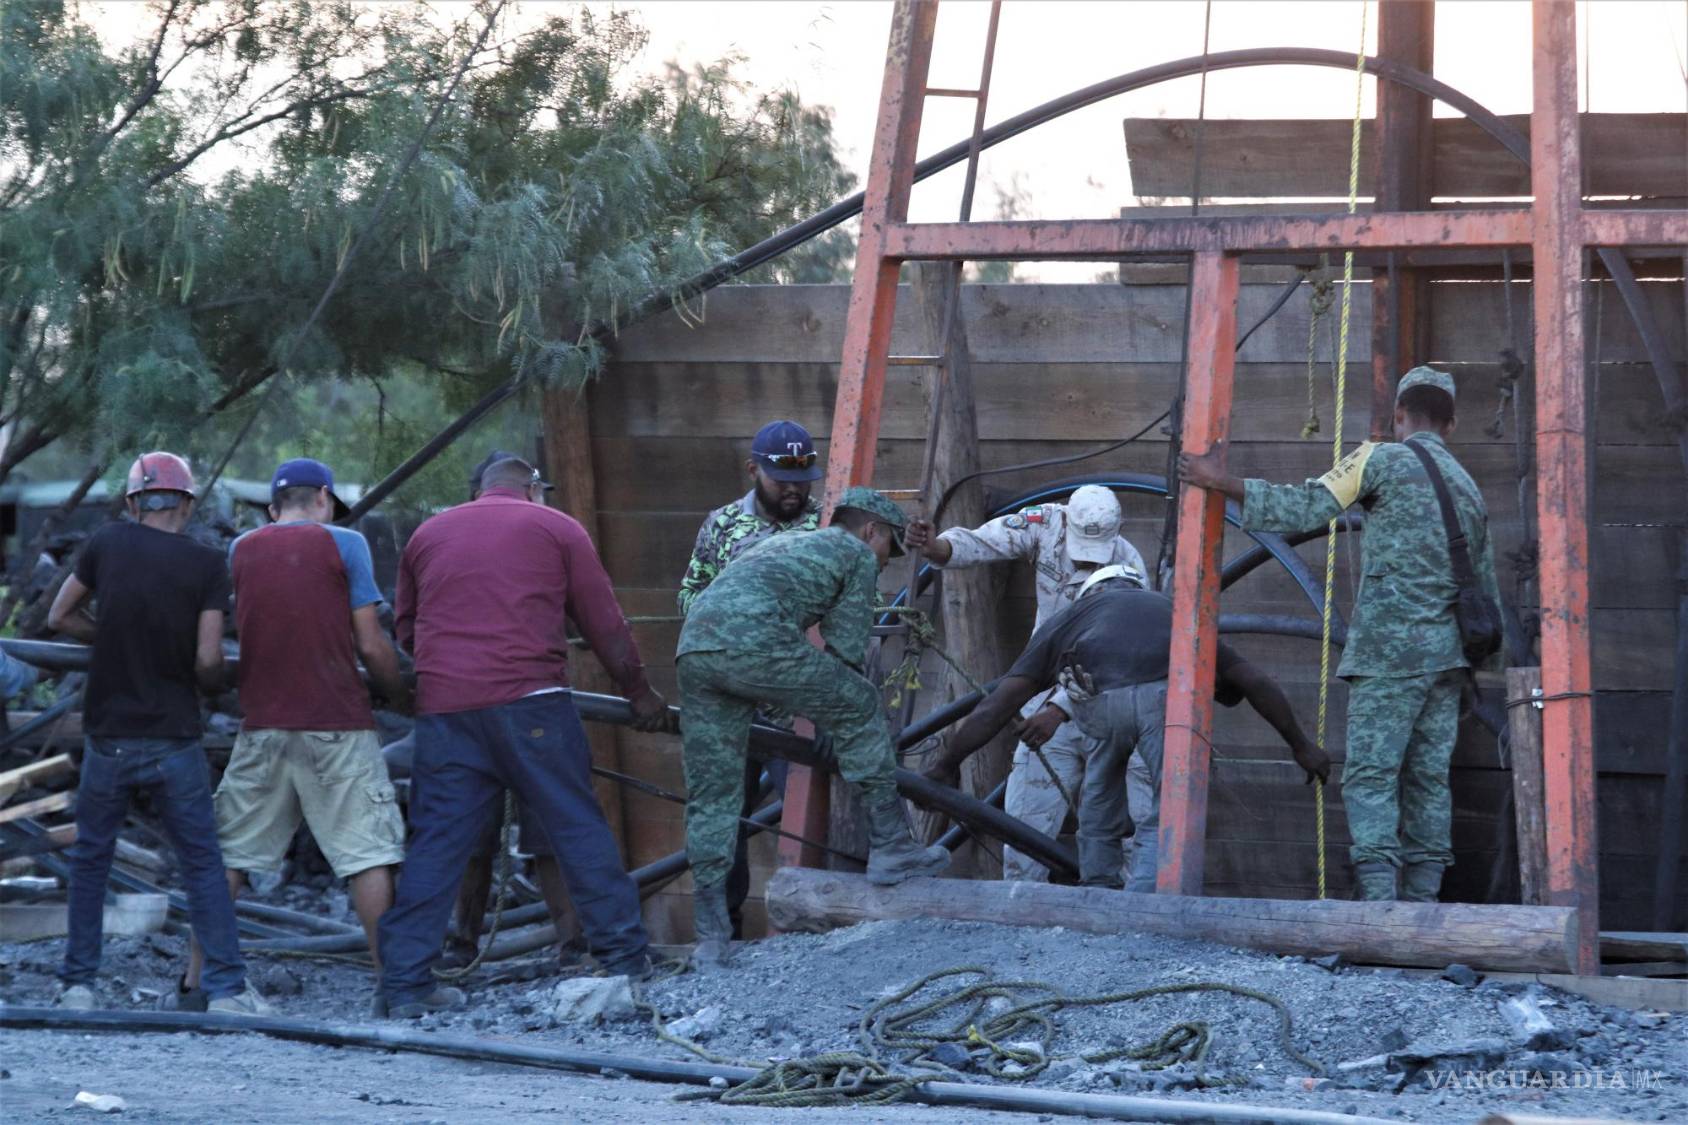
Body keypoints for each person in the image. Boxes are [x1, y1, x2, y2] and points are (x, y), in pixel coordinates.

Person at [1179, 366, 1500, 903]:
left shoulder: (1378, 457)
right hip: (1449, 664)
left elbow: (1307, 505)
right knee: (1427, 781)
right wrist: (1478, 674)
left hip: (1388, 657)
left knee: (1372, 777)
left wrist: (1219, 482)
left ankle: (1379, 906)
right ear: (1453, 423)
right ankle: (1423, 906)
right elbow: (1485, 591)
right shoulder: (1469, 488)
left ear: (1399, 414)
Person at [376, 456, 669, 1017]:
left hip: (446, 711)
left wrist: (456, 673)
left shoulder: (427, 534)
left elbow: (409, 628)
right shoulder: (557, 527)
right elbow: (603, 622)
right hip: (533, 703)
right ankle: (625, 959)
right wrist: (639, 693)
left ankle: (405, 985)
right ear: (532, 489)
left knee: (436, 843)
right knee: (576, 827)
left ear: (483, 487)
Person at [920, 565, 1329, 889]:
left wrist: (947, 762)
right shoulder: (1174, 610)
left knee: (1101, 783)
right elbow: (1255, 681)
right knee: (1163, 801)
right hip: (1161, 699)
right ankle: (1149, 894)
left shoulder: (1071, 618)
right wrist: (1300, 745)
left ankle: (1098, 884)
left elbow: (998, 704)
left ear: (1090, 595)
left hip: (1100, 702)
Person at [677, 486, 949, 968]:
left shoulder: (786, 544)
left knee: (714, 793)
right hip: (754, 642)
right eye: (890, 548)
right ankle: (891, 848)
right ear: (872, 531)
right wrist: (839, 720)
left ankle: (711, 938)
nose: (887, 562)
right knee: (863, 702)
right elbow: (846, 651)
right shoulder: (853, 552)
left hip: (695, 648)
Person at [176, 459, 409, 1004]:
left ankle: (194, 982)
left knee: (230, 855)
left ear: (273, 507)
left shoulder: (243, 550)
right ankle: (393, 986)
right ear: (324, 498)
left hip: (263, 725)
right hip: (337, 725)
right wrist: (398, 693)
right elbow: (372, 644)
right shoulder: (346, 544)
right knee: (366, 856)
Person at [46, 452, 269, 1014]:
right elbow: (208, 657)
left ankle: (78, 987)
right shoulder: (205, 564)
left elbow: (60, 617)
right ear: (187, 503)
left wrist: (112, 637)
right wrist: (213, 680)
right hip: (174, 735)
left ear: (132, 503)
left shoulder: (104, 544)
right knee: (201, 864)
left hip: (107, 736)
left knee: (91, 860)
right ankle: (224, 991)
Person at [903, 484, 1151, 882]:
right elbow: (984, 542)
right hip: (1047, 689)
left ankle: (1127, 918)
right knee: (1026, 819)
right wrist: (937, 549)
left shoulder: (1130, 569)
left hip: (1112, 708)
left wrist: (1059, 710)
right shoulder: (1045, 522)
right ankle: (1020, 908)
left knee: (1129, 829)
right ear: (1068, 520)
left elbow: (1121, 657)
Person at [677, 419, 824, 937]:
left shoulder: (826, 527)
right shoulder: (722, 527)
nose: (793, 488)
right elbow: (691, 594)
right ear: (753, 470)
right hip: (731, 699)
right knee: (719, 810)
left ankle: (817, 931)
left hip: (799, 702)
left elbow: (862, 606)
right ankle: (721, 931)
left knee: (813, 809)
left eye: (803, 477)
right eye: (782, 476)